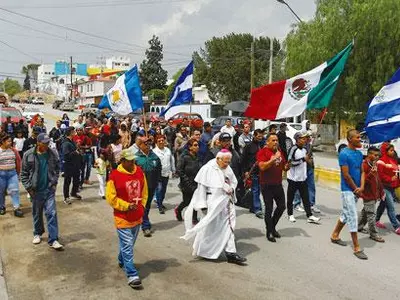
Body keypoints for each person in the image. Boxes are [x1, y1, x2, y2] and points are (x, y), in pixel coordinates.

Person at [181, 149, 246, 265]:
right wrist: (202, 206)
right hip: (213, 204)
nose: (227, 164)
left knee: (229, 226)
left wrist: (231, 188)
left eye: (228, 162)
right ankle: (204, 250)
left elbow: (233, 181)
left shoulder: (227, 167)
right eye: (225, 162)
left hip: (227, 203)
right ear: (218, 159)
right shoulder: (207, 169)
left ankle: (231, 253)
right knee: (209, 228)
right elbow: (201, 189)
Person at [106, 148, 147, 289]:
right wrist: (126, 206)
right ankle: (131, 274)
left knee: (129, 244)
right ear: (122, 161)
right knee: (128, 243)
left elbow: (144, 191)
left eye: (133, 160)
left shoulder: (139, 172)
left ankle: (121, 259)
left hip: (137, 215)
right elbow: (111, 198)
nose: (132, 163)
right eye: (129, 161)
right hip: (122, 216)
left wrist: (142, 206)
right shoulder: (115, 175)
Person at [21, 133, 63, 250]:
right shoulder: (28, 155)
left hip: (49, 189)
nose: (46, 145)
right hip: (35, 190)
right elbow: (23, 174)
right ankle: (37, 233)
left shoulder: (52, 153)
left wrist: (54, 183)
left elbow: (57, 168)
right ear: (38, 143)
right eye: (44, 143)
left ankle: (53, 239)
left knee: (52, 213)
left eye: (48, 142)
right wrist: (29, 188)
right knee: (37, 213)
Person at [331, 129, 367, 260]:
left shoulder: (358, 154)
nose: (360, 139)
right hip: (347, 190)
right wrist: (355, 188)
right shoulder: (344, 154)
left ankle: (335, 235)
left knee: (346, 214)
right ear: (350, 139)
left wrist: (361, 187)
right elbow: (346, 175)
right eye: (358, 137)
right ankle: (356, 247)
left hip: (356, 189)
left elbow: (362, 171)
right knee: (352, 215)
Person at [256, 133, 289, 242]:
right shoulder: (262, 152)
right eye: (273, 140)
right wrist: (273, 159)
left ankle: (272, 227)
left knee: (282, 206)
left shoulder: (279, 152)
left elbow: (284, 166)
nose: (276, 142)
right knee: (269, 208)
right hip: (266, 185)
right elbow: (262, 167)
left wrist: (287, 166)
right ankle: (269, 232)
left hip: (277, 184)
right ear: (267, 142)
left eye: (277, 140)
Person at [286, 131, 320, 224]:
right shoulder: (293, 149)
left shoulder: (305, 149)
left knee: (305, 198)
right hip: (293, 179)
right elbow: (290, 163)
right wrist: (302, 160)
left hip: (302, 178)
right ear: (297, 139)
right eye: (302, 138)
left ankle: (310, 216)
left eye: (305, 138)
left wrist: (309, 160)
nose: (304, 140)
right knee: (290, 197)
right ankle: (290, 214)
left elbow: (307, 161)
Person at [134, 136, 161, 237]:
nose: (148, 145)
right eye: (145, 143)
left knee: (147, 205)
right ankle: (145, 225)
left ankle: (143, 220)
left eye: (149, 143)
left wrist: (159, 182)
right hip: (139, 187)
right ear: (140, 145)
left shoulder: (154, 157)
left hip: (151, 185)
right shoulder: (135, 158)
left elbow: (159, 169)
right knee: (142, 205)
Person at [357, 146, 385, 243]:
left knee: (366, 211)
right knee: (371, 214)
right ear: (369, 154)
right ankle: (373, 234)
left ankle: (359, 227)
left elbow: (378, 180)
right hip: (368, 194)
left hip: (374, 193)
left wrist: (381, 192)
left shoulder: (374, 164)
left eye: (378, 155)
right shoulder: (364, 165)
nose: (377, 157)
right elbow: (362, 181)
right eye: (375, 155)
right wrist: (370, 174)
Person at [375, 143, 400, 234]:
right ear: (385, 151)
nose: (393, 152)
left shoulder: (393, 160)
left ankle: (376, 220)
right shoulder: (381, 161)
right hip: (384, 187)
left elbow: (395, 172)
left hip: (391, 187)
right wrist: (390, 179)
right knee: (391, 207)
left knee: (383, 205)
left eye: (393, 150)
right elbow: (380, 175)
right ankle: (397, 227)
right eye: (391, 150)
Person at [175, 138, 202, 223]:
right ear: (190, 147)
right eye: (195, 145)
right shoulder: (184, 157)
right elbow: (179, 170)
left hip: (196, 183)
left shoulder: (198, 156)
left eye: (198, 145)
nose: (197, 147)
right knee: (187, 202)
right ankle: (178, 210)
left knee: (195, 201)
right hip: (186, 184)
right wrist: (186, 180)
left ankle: (194, 218)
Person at [241, 129, 264, 217]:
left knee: (259, 190)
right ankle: (257, 209)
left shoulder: (263, 145)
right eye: (258, 136)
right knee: (255, 190)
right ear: (254, 136)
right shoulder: (248, 146)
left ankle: (253, 207)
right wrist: (245, 171)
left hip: (262, 171)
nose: (260, 138)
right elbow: (243, 160)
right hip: (252, 172)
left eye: (261, 136)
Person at [0, 132, 23, 217]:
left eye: (11, 141)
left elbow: (18, 161)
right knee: (1, 192)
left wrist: (18, 173)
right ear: (2, 141)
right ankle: (1, 207)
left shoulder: (14, 150)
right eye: (8, 141)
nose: (10, 143)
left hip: (12, 174)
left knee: (15, 191)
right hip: (1, 175)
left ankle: (16, 208)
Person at [153, 135, 175, 214]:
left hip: (166, 173)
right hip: (158, 174)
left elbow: (171, 160)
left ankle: (161, 202)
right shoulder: (154, 152)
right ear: (156, 142)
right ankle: (159, 206)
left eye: (162, 140)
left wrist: (173, 169)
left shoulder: (168, 150)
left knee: (163, 190)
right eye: (159, 141)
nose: (161, 142)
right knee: (159, 189)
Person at [62, 127, 82, 204]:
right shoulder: (66, 143)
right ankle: (66, 197)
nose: (75, 132)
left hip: (75, 165)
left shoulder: (72, 141)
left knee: (76, 180)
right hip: (69, 166)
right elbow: (66, 155)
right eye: (73, 131)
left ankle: (73, 193)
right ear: (70, 132)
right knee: (67, 181)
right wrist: (75, 152)